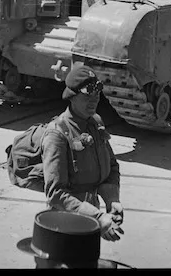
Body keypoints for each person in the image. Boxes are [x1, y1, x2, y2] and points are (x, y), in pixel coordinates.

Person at [42, 63, 123, 242]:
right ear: (72, 96)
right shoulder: (57, 135)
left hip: (90, 221)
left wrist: (112, 199)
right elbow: (55, 193)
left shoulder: (95, 122)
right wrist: (98, 217)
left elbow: (111, 165)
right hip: (63, 225)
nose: (94, 100)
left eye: (97, 95)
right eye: (87, 96)